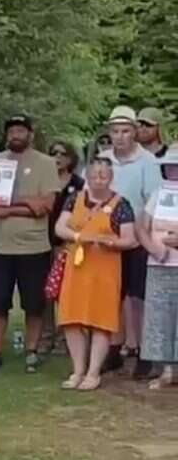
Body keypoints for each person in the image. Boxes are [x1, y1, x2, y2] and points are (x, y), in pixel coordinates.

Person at [0, 115, 60, 374]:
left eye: (20, 130)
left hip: (33, 246)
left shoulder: (46, 164)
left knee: (34, 304)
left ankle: (32, 351)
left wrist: (11, 204)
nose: (15, 134)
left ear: (30, 134)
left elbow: (46, 206)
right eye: (11, 130)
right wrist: (27, 203)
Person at [56, 158, 138, 391]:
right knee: (72, 319)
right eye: (94, 175)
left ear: (110, 178)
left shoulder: (121, 204)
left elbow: (130, 239)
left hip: (106, 268)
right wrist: (80, 237)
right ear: (88, 177)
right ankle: (78, 370)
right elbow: (60, 228)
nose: (98, 179)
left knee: (100, 321)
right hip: (77, 266)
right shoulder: (75, 199)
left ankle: (93, 372)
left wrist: (110, 242)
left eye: (103, 175)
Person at [100, 106, 163, 378]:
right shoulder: (102, 159)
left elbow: (153, 199)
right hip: (106, 237)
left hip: (137, 238)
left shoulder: (148, 161)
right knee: (110, 295)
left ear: (134, 132)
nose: (120, 137)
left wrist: (143, 231)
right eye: (115, 131)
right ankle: (113, 349)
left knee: (138, 297)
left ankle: (144, 352)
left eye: (126, 131)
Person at [136, 147, 178, 389]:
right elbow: (142, 226)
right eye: (170, 166)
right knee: (160, 318)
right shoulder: (157, 193)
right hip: (159, 264)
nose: (173, 171)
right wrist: (153, 248)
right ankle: (166, 370)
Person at [40, 140, 86, 354]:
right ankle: (46, 335)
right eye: (53, 153)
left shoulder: (78, 183)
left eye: (62, 153)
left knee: (64, 291)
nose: (57, 157)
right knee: (44, 292)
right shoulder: (42, 179)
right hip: (40, 241)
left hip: (65, 243)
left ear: (70, 158)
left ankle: (64, 337)